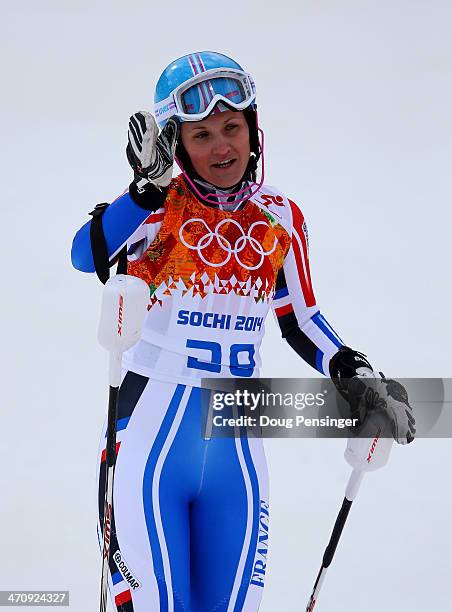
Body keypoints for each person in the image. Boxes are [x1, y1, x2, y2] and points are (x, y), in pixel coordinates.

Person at [71, 51, 416, 612]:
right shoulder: (154, 211)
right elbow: (84, 257)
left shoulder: (280, 218)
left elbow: (301, 320)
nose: (222, 146)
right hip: (146, 443)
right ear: (176, 144)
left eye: (232, 127)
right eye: (201, 134)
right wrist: (142, 194)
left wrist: (354, 371)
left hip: (238, 444)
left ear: (254, 129)